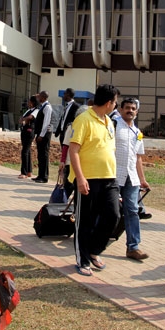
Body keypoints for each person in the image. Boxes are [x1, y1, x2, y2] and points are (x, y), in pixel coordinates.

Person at [68, 84, 121, 277]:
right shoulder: (83, 119)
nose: (116, 105)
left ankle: (94, 250)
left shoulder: (109, 122)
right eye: (115, 102)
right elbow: (74, 150)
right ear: (109, 102)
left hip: (109, 178)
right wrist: (80, 178)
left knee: (113, 215)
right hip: (88, 179)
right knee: (85, 221)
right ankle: (83, 260)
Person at [115, 97, 150, 261]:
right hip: (114, 175)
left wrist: (142, 179)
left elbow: (138, 157)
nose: (130, 110)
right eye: (127, 108)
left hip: (131, 178)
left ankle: (133, 247)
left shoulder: (137, 132)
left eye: (133, 108)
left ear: (137, 111)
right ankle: (95, 243)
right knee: (108, 210)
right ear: (121, 109)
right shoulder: (113, 126)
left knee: (132, 211)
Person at [33, 91, 53, 183]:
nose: (38, 98)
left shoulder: (47, 107)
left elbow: (46, 123)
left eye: (40, 96)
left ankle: (44, 176)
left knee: (44, 155)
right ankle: (40, 175)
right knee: (40, 155)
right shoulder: (42, 106)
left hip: (44, 135)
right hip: (40, 134)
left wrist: (41, 135)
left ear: (44, 97)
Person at [19, 96, 39, 179]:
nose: (28, 103)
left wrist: (24, 119)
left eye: (29, 101)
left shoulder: (36, 110)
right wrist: (23, 119)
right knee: (27, 151)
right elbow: (22, 118)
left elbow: (30, 117)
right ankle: (29, 171)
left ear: (32, 102)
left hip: (30, 132)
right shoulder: (28, 110)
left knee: (24, 151)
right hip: (24, 131)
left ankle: (24, 172)